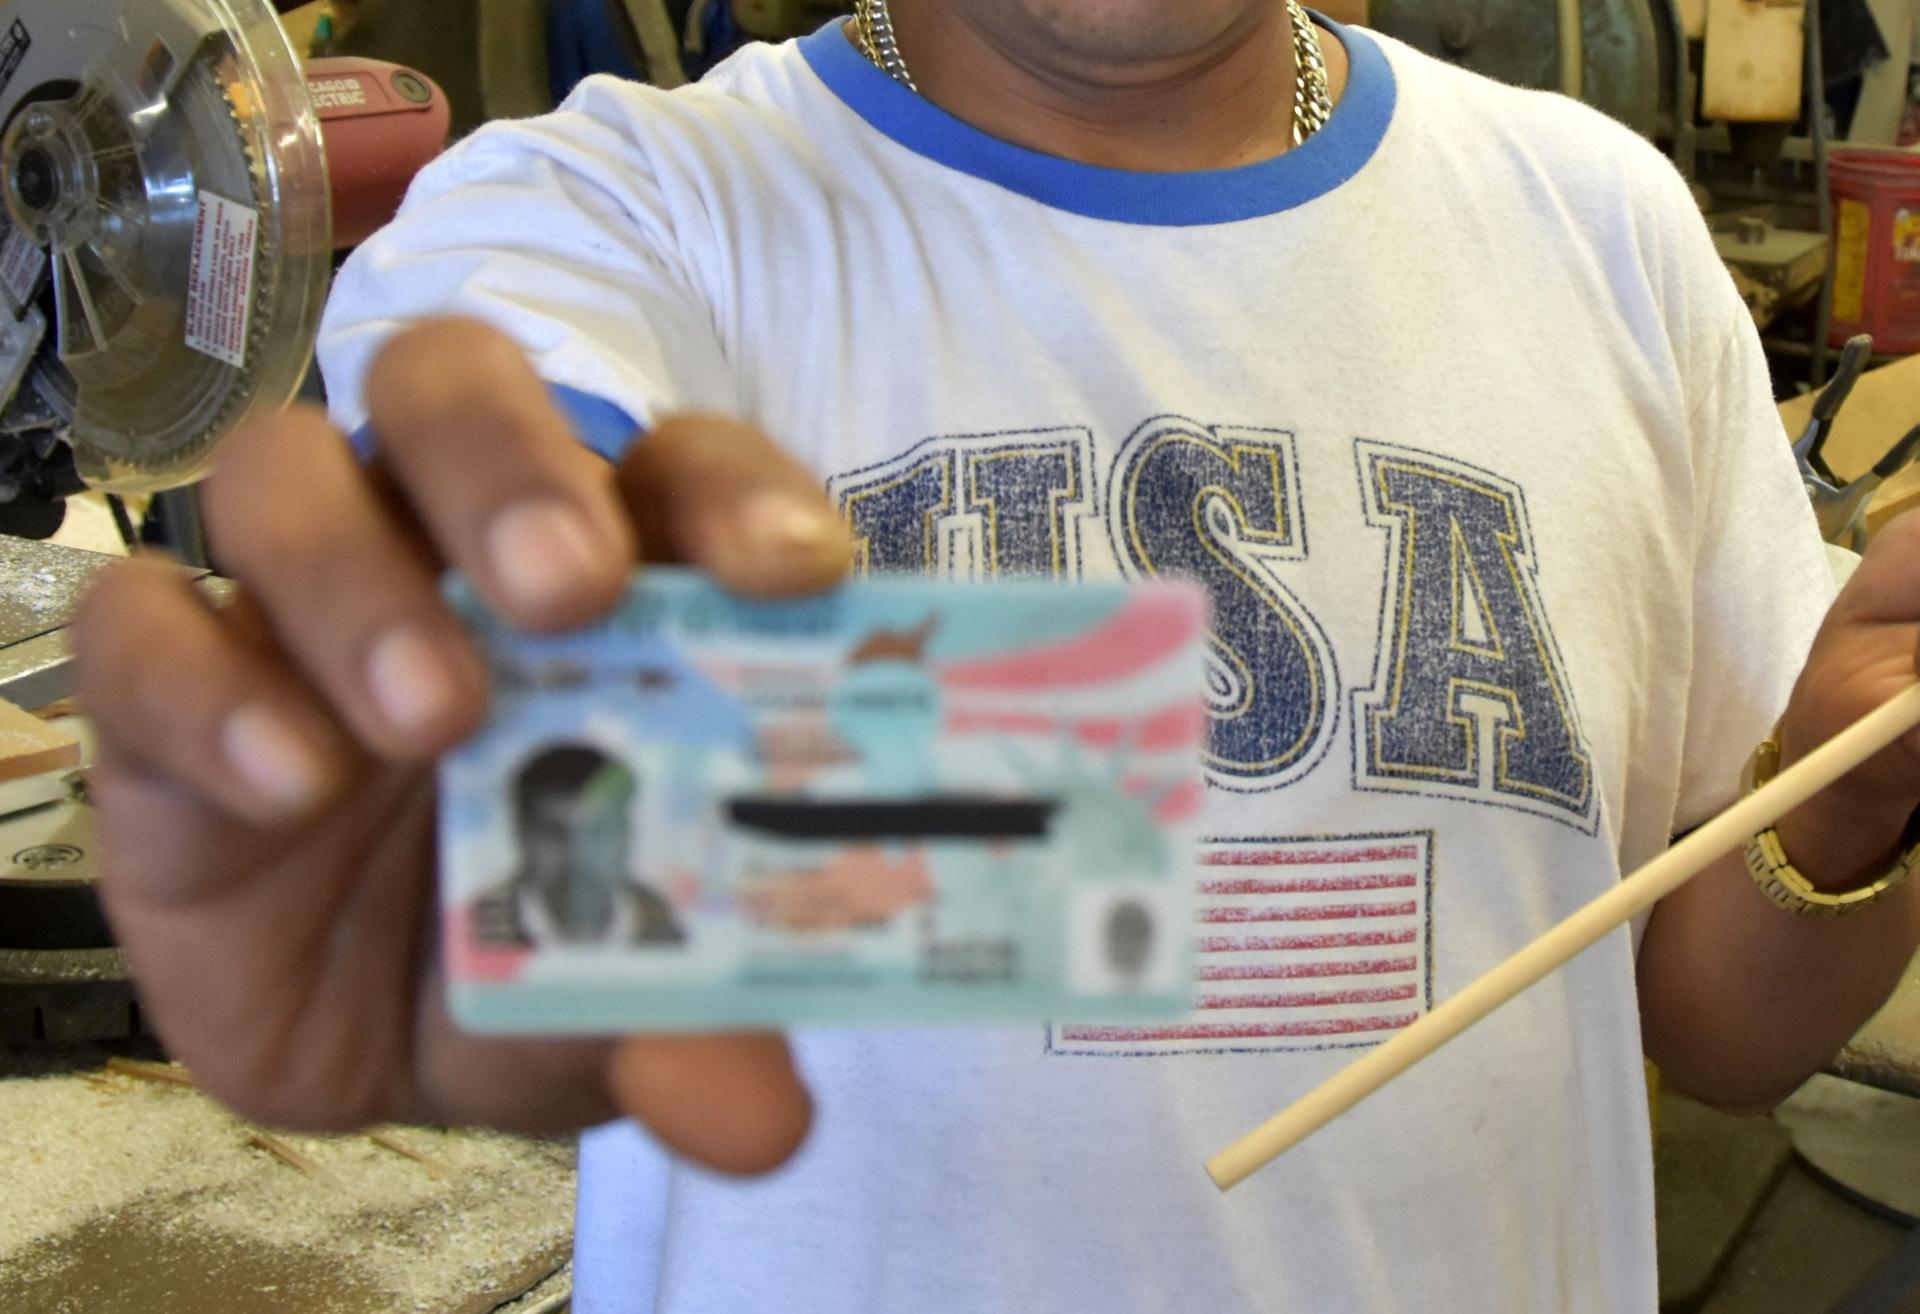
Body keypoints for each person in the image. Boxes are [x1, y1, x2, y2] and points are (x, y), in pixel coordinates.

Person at [70, 1, 1920, 1310]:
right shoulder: (620, 212)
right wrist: (497, 759)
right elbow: (539, 754)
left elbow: (1705, 1023)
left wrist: (1863, 769)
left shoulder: (1600, 224)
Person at [472, 743, 685, 947]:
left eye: (597, 832)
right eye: (553, 833)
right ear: (521, 834)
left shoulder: (668, 932)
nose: (576, 853)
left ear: (626, 835)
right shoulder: (469, 931)